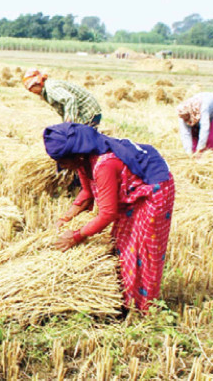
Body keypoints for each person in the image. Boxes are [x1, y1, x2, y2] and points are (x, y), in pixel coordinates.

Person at [43, 123, 175, 312]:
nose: (62, 167)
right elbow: (87, 192)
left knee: (141, 248)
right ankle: (127, 298)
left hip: (154, 189)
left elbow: (108, 213)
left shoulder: (103, 164)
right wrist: (67, 217)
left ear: (76, 155)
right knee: (121, 241)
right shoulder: (83, 159)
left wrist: (77, 236)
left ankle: (145, 308)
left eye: (63, 162)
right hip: (134, 189)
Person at [22, 68, 102, 128]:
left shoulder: (51, 88)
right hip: (83, 112)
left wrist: (68, 124)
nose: (31, 91)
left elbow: (70, 99)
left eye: (31, 88)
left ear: (37, 83)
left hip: (88, 112)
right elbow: (64, 108)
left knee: (83, 141)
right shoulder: (46, 90)